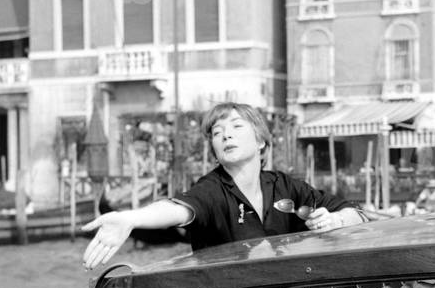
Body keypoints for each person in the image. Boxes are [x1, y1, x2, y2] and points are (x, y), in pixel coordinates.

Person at [83, 102, 366, 269]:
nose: (226, 136)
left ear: (260, 141)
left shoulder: (284, 187)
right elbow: (178, 210)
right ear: (214, 149)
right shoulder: (213, 190)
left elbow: (354, 211)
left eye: (236, 127)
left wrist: (335, 220)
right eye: (217, 133)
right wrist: (130, 218)